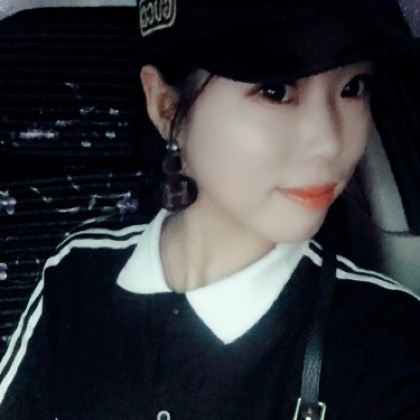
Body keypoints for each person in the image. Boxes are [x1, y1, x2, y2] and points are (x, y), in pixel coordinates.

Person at [0, 0, 419, 418]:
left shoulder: (389, 339)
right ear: (166, 109)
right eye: (276, 90)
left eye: (353, 88)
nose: (329, 142)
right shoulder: (75, 276)